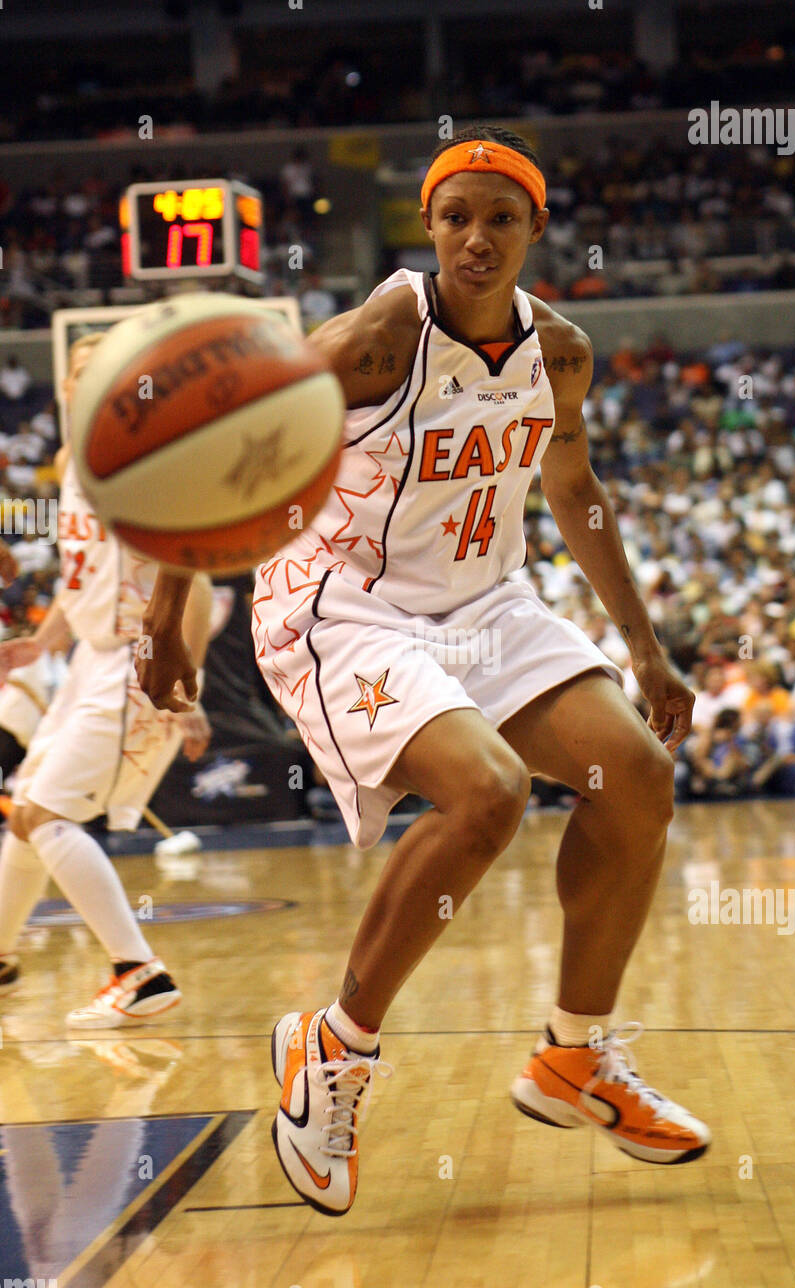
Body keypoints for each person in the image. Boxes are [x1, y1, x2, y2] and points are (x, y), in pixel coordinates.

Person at [138, 127, 710, 1216]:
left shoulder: (563, 354)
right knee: (487, 792)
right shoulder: (380, 334)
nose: (477, 238)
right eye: (456, 218)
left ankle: (573, 1056)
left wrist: (642, 644)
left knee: (634, 775)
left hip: (486, 600)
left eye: (501, 218)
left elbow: (574, 486)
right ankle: (334, 1049)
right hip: (343, 602)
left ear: (537, 228)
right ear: (428, 228)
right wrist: (171, 608)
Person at [0, 335, 213, 1025]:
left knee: (46, 816)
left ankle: (138, 970)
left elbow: (197, 572)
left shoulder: (145, 456)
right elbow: (81, 575)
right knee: (26, 808)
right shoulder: (71, 462)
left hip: (138, 655)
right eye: (80, 375)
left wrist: (188, 674)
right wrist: (43, 641)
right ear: (66, 388)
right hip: (91, 657)